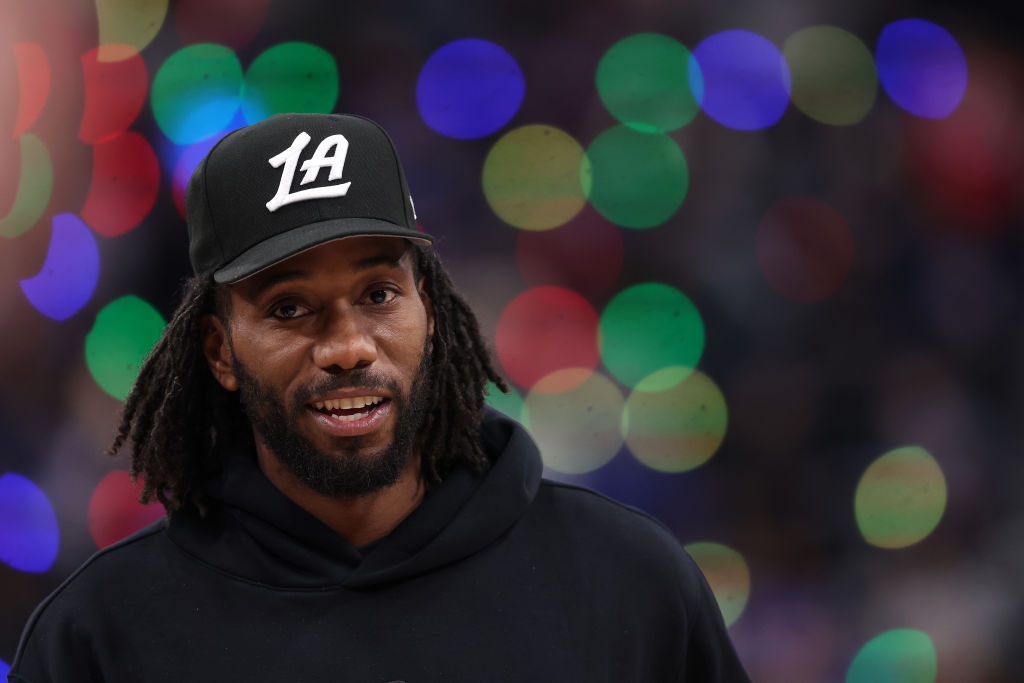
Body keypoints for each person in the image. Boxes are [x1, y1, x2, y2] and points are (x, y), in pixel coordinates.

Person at [8, 113, 751, 682]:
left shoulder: (627, 581)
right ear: (218, 351)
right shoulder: (103, 634)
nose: (348, 346)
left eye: (378, 293)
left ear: (427, 305)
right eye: (289, 309)